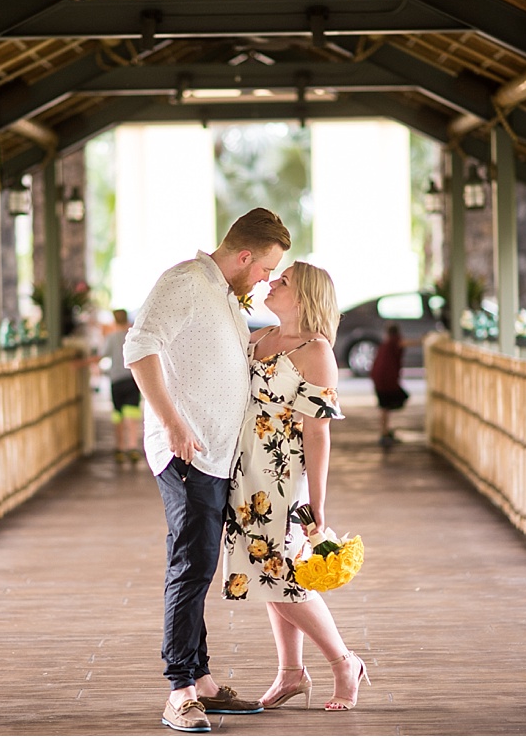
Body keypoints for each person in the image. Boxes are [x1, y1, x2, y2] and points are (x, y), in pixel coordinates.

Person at [123, 207, 291, 733]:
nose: (265, 279)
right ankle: (180, 691)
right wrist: (171, 423)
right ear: (244, 256)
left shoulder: (221, 293)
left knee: (201, 566)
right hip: (187, 452)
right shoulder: (186, 282)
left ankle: (205, 683)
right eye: (265, 268)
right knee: (191, 565)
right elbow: (138, 347)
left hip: (217, 454)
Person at [221, 261, 370, 712]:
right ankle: (291, 672)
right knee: (266, 575)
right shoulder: (258, 337)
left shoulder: (316, 350)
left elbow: (317, 431)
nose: (270, 282)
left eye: (282, 281)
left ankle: (344, 662)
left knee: (282, 576)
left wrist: (317, 504)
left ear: (304, 296)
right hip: (243, 472)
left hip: (283, 480)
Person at [102, 309, 143, 464]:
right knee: (132, 414)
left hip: (116, 380)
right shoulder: (133, 336)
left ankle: (120, 447)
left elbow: (102, 354)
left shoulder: (111, 338)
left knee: (117, 414)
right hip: (132, 379)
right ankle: (133, 446)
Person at [370, 322, 410, 446]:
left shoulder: (385, 344)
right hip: (387, 380)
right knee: (386, 406)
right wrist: (423, 340)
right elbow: (404, 344)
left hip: (379, 379)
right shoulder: (394, 342)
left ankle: (385, 431)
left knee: (384, 407)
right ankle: (384, 433)